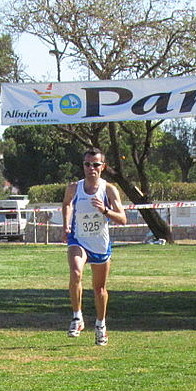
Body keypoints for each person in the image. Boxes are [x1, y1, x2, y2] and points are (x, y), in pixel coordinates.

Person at [61, 147, 127, 346]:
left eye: (95, 164)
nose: (91, 168)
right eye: (87, 164)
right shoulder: (74, 188)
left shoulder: (109, 190)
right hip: (78, 240)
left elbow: (122, 218)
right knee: (75, 272)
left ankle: (101, 325)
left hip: (100, 243)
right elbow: (66, 204)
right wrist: (66, 225)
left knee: (99, 289)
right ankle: (77, 317)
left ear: (102, 167)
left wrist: (105, 210)